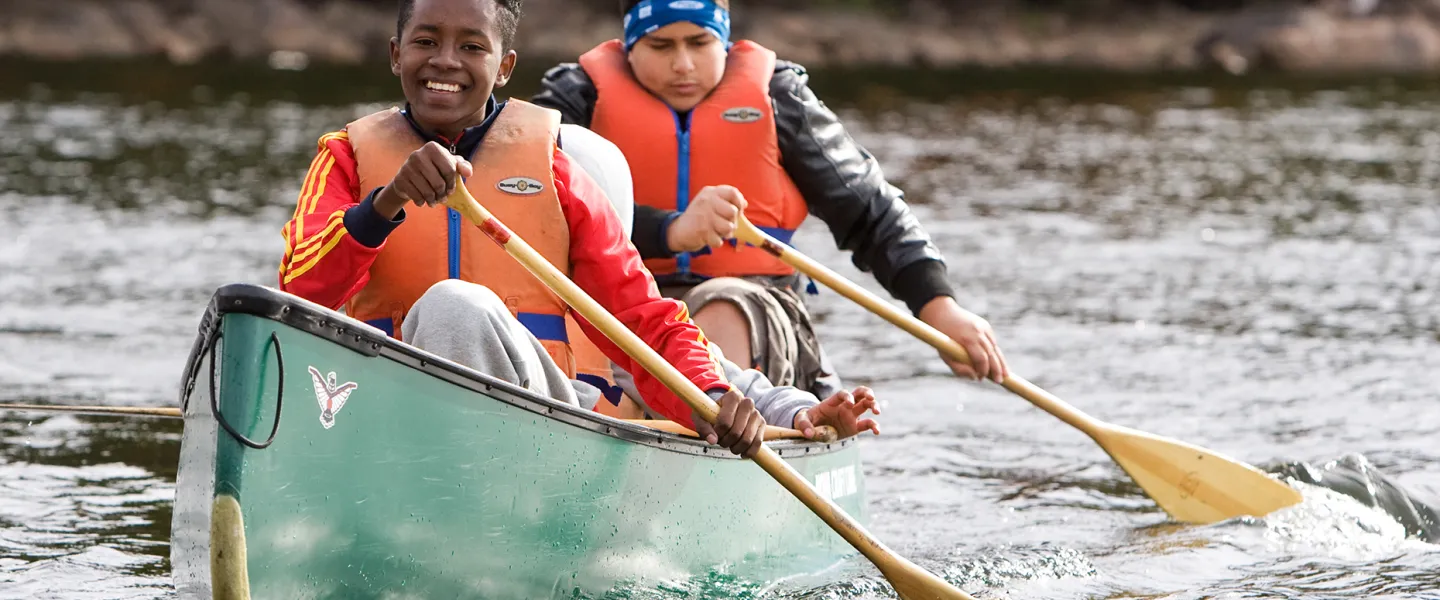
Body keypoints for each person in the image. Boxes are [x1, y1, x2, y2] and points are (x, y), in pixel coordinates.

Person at [276, 0, 873, 457]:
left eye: (472, 46)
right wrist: (386, 204)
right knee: (247, 310)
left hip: (543, 432)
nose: (445, 61)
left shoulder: (557, 174)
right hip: (377, 415)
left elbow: (645, 320)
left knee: (454, 306)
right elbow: (299, 295)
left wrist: (723, 404)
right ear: (395, 54)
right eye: (425, 41)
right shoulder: (347, 159)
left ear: (505, 66)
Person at [532, 0, 1011, 399]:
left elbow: (870, 209)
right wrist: (669, 230)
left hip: (755, 304)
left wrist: (938, 306)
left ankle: (720, 432)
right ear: (630, 46)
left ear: (723, 40)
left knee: (721, 304)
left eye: (699, 44)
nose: (683, 64)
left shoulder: (780, 96)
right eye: (661, 46)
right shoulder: (576, 98)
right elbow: (539, 201)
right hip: (619, 308)